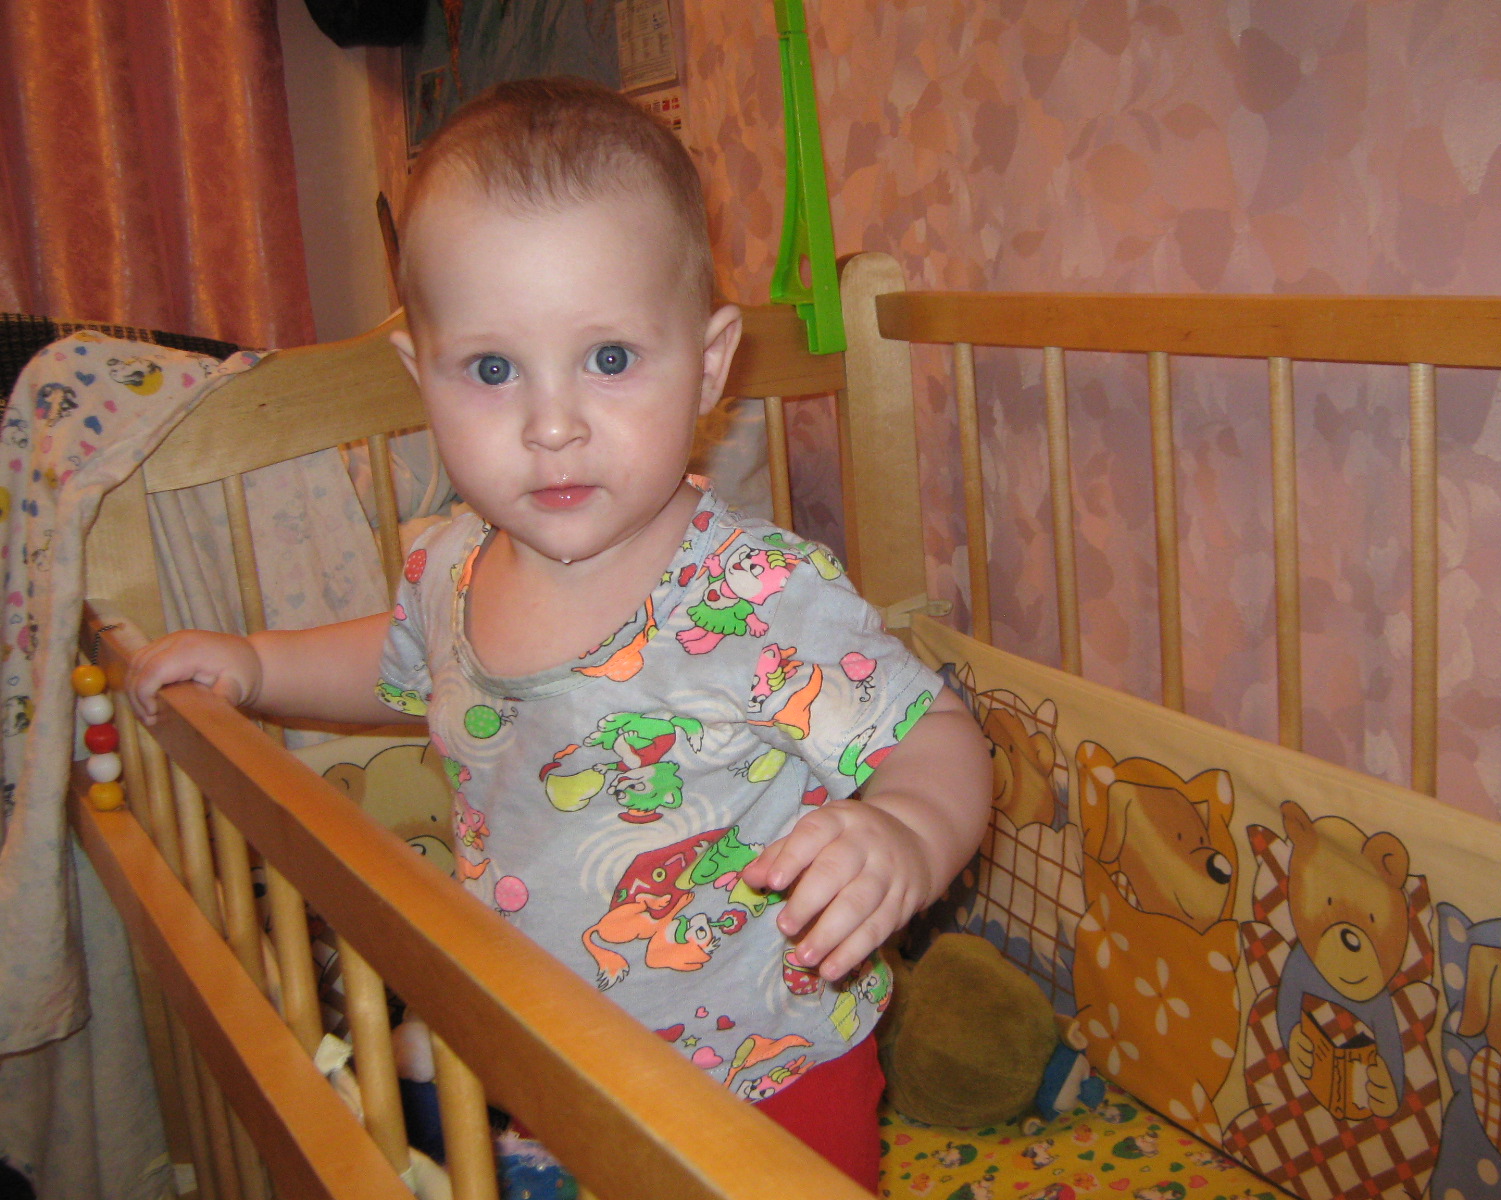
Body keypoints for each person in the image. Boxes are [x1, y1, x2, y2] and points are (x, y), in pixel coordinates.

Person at [128, 76, 990, 1192]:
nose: (552, 424)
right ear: (421, 377)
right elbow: (391, 662)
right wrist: (255, 665)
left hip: (765, 1072)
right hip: (539, 1059)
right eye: (492, 369)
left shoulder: (755, 595)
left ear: (710, 364)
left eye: (610, 359)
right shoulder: (449, 566)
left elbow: (937, 735)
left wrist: (907, 832)